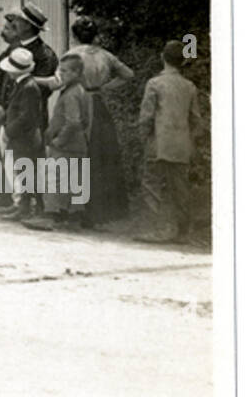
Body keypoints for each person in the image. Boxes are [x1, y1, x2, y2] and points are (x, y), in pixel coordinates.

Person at [0, 4, 58, 213]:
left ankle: (33, 203)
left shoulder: (45, 54)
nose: (13, 24)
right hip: (3, 114)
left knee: (29, 158)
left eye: (17, 21)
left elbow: (40, 90)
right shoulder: (12, 49)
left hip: (28, 117)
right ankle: (6, 197)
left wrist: (12, 109)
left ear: (28, 26)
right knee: (5, 156)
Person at [134, 41, 203, 244]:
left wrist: (143, 137)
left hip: (158, 141)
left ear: (162, 57)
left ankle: (158, 228)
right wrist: (192, 141)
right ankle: (182, 231)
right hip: (182, 144)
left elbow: (146, 117)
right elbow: (196, 120)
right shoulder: (189, 87)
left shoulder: (154, 84)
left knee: (152, 184)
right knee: (180, 187)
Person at [68, 16, 134, 225]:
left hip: (78, 102)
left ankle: (75, 209)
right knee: (100, 156)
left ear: (74, 35)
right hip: (98, 104)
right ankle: (99, 211)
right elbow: (128, 74)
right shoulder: (106, 55)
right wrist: (105, 87)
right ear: (95, 35)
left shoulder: (72, 55)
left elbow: (61, 80)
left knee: (76, 153)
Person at [24, 52, 92, 231]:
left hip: (66, 144)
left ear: (77, 73)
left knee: (54, 178)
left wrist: (58, 141)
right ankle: (74, 217)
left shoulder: (71, 94)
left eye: (65, 71)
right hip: (79, 143)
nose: (60, 75)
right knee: (75, 181)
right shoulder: (81, 91)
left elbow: (73, 121)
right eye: (60, 70)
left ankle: (51, 215)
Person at [0, 47, 44, 219]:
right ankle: (20, 204)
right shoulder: (21, 84)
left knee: (24, 170)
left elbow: (26, 117)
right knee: (18, 169)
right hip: (18, 135)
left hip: (23, 136)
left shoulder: (29, 87)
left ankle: (25, 207)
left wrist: (9, 131)